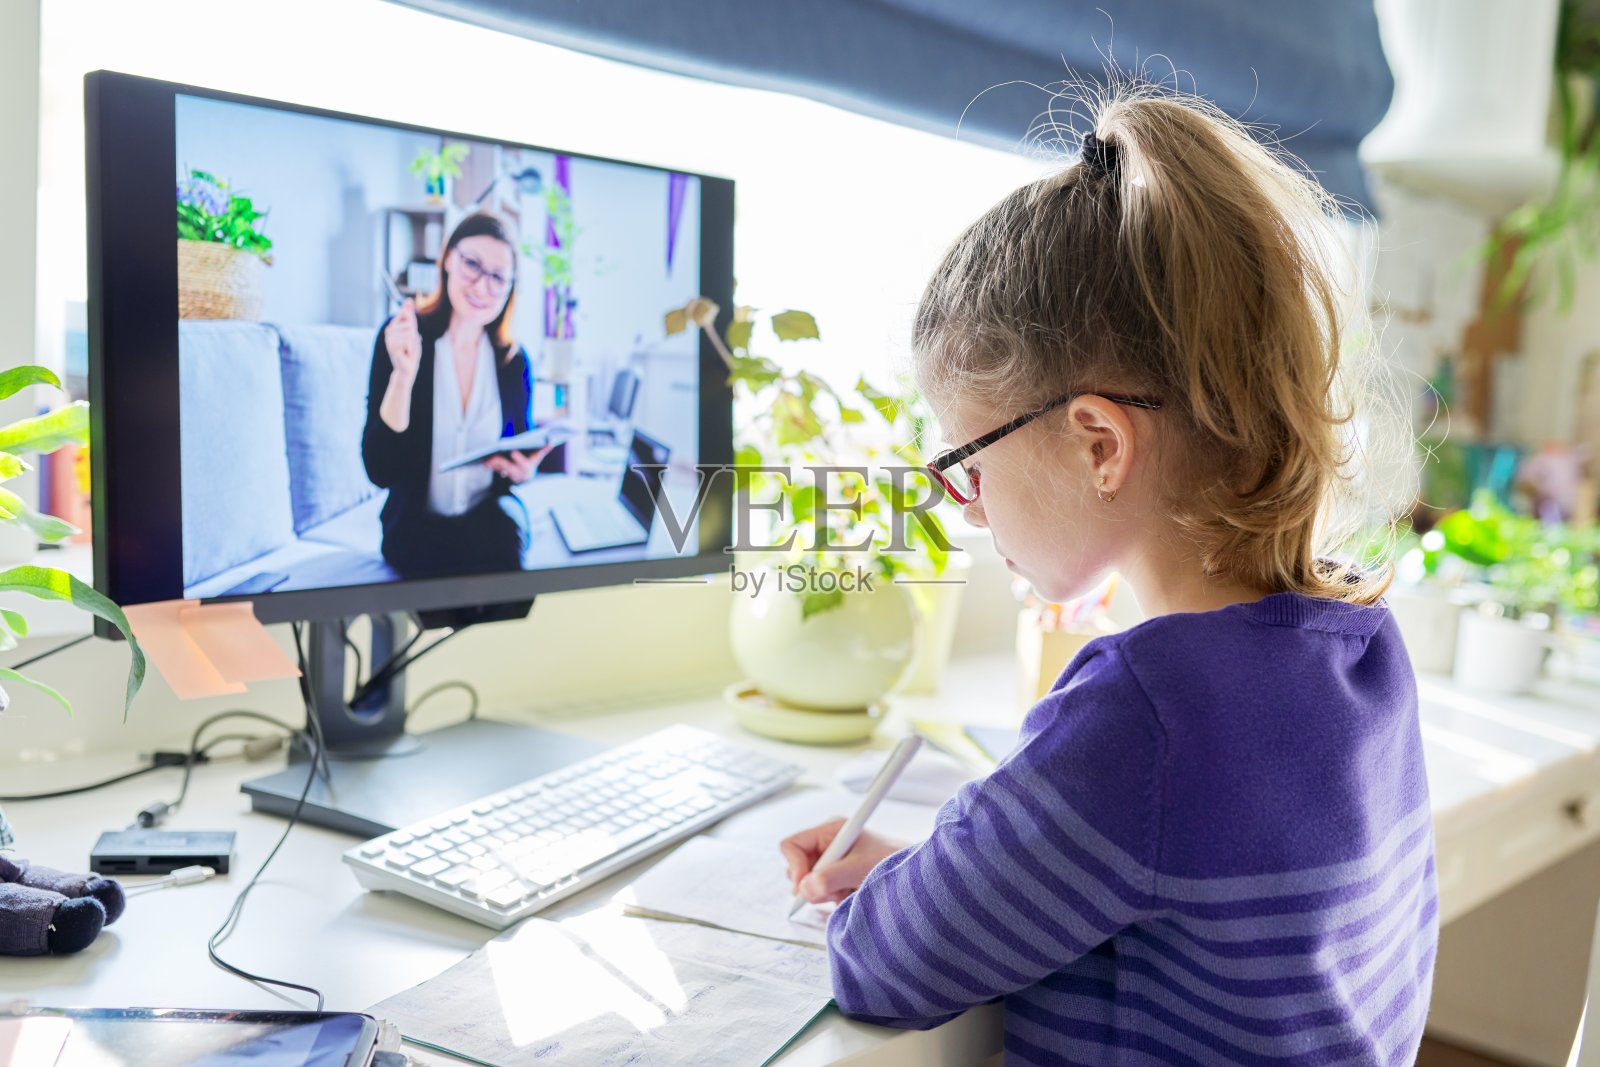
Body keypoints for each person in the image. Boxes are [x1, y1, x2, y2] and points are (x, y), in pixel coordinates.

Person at [780, 86, 1434, 1065]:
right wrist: (941, 870)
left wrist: (903, 893)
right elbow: (1144, 867)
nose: (964, 502)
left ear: (1097, 443)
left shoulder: (1146, 711)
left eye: (967, 459)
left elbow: (884, 964)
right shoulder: (1360, 651)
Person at [362, 211, 554, 578]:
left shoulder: (514, 362)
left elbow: (518, 453)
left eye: (498, 277)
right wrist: (404, 375)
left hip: (488, 521)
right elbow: (380, 470)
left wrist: (524, 471)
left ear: (511, 286)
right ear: (448, 258)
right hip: (416, 530)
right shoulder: (402, 337)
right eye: (472, 265)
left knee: (511, 573)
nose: (482, 287)